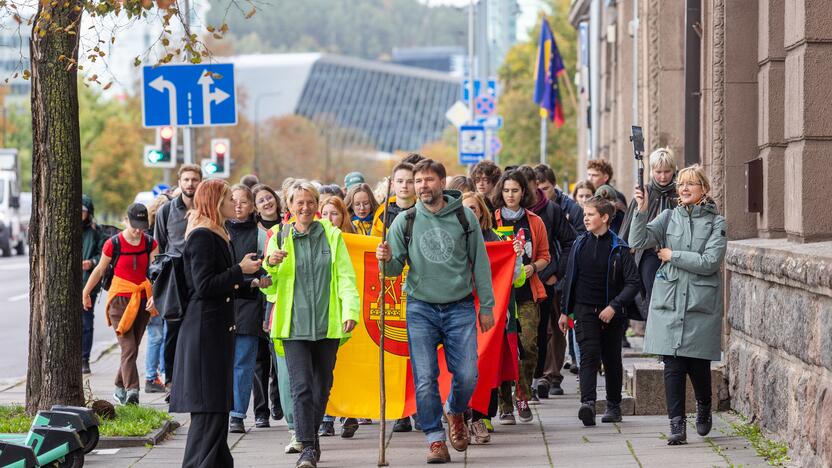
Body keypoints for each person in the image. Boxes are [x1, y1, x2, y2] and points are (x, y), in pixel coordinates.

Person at [377, 159, 495, 464]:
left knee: (468, 373)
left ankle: (455, 409)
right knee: (425, 377)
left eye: (428, 180)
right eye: (418, 181)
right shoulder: (405, 221)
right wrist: (385, 258)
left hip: (460, 306)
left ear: (442, 183)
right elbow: (391, 271)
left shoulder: (464, 217)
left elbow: (480, 264)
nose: (422, 186)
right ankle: (434, 439)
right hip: (420, 308)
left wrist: (488, 306)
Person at [628, 165, 727, 445]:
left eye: (691, 184)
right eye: (681, 184)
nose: (684, 188)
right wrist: (641, 210)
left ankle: (704, 406)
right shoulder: (668, 217)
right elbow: (636, 240)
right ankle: (676, 424)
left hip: (699, 302)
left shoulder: (717, 223)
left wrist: (673, 255)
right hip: (670, 299)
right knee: (672, 364)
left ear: (703, 189)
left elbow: (709, 263)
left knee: (697, 364)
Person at [263, 180, 360, 468]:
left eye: (309, 202)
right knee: (301, 386)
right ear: (289, 207)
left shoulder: (331, 236)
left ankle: (311, 441)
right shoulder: (279, 237)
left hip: (327, 324)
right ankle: (307, 446)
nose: (304, 207)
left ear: (316, 205)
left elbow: (345, 277)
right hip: (293, 325)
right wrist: (271, 264)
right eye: (298, 203)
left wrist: (350, 311)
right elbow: (269, 288)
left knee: (322, 387)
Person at [170, 179, 263, 468]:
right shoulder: (202, 235)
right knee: (210, 411)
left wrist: (252, 282)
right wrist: (239, 270)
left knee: (216, 410)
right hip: (204, 333)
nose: (233, 204)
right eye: (227, 199)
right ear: (214, 202)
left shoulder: (216, 233)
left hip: (213, 331)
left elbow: (221, 284)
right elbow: (204, 285)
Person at [558, 196, 640, 427]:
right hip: (584, 310)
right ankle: (588, 404)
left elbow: (633, 282)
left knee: (611, 359)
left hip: (611, 313)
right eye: (584, 214)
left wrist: (614, 306)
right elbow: (570, 278)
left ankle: (613, 405)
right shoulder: (579, 244)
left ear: (604, 217)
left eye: (590, 214)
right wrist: (565, 311)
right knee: (588, 356)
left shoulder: (619, 248)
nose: (585, 218)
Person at [460, 192, 524, 444]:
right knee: (462, 367)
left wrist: (515, 256)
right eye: (464, 209)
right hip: (459, 312)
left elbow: (515, 278)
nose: (469, 213)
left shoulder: (496, 239)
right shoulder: (451, 239)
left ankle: (481, 417)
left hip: (490, 317)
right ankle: (462, 416)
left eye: (473, 209)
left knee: (485, 365)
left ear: (482, 212)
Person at [83, 203, 158, 406]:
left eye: (142, 225)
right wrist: (86, 292)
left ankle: (118, 386)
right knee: (129, 347)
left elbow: (156, 271)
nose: (137, 230)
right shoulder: (113, 244)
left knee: (130, 350)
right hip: (119, 301)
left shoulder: (150, 243)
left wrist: (156, 294)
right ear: (126, 220)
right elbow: (99, 270)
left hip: (142, 300)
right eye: (134, 224)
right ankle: (132, 391)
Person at [491, 170, 550, 423]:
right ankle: (505, 404)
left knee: (528, 345)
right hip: (500, 297)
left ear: (523, 192)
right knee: (503, 349)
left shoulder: (534, 221)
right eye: (506, 190)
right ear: (500, 193)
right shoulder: (491, 220)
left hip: (527, 293)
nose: (510, 195)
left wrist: (533, 267)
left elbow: (546, 256)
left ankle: (523, 394)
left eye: (515, 190)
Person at [515, 166, 575, 399]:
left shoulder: (550, 211)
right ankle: (524, 381)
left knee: (542, 331)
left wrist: (556, 272)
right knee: (520, 334)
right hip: (514, 284)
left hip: (544, 280)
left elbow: (570, 242)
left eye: (529, 187)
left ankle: (542, 376)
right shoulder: (508, 212)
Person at [227, 184, 273, 433]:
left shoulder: (262, 235)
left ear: (252, 206)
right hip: (223, 301)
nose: (237, 206)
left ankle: (237, 414)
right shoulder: (220, 232)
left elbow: (266, 271)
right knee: (224, 362)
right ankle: (224, 407)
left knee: (244, 361)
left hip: (249, 305)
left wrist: (258, 279)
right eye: (232, 201)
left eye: (243, 201)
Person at [155, 164, 202, 399]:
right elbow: (161, 247)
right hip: (174, 277)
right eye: (186, 180)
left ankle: (192, 382)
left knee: (196, 332)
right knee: (172, 331)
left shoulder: (206, 209)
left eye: (194, 179)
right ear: (179, 181)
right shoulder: (166, 211)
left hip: (200, 276)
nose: (190, 184)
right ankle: (171, 382)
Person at [618, 147, 679, 320]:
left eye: (667, 171)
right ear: (651, 171)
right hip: (649, 253)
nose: (662, 176)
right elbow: (630, 226)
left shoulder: (680, 191)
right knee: (652, 293)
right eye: (658, 171)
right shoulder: (644, 192)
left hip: (676, 252)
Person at [252, 184, 284, 425]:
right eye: (261, 200)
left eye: (269, 197)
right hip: (257, 295)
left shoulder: (287, 226)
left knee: (278, 354)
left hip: (280, 292)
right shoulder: (254, 232)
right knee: (260, 358)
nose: (266, 203)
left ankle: (279, 402)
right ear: (256, 207)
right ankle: (261, 410)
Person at [144, 194, 172, 393]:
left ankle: (157, 375)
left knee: (158, 335)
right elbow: (155, 267)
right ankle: (155, 376)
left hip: (154, 288)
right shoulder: (151, 241)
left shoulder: (145, 234)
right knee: (157, 335)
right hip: (154, 288)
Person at [80, 194, 103, 375]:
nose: (80, 214)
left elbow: (102, 255)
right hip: (70, 284)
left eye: (83, 211)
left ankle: (84, 359)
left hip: (88, 282)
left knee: (86, 322)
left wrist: (92, 262)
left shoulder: (96, 232)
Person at [534, 164, 585, 234]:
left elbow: (582, 239)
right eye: (537, 190)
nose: (541, 193)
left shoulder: (572, 208)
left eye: (545, 189)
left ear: (554, 184)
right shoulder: (530, 209)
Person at [370, 162, 415, 237]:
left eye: (410, 182)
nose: (404, 186)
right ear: (392, 185)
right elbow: (372, 244)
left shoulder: (424, 213)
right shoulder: (382, 214)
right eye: (400, 181)